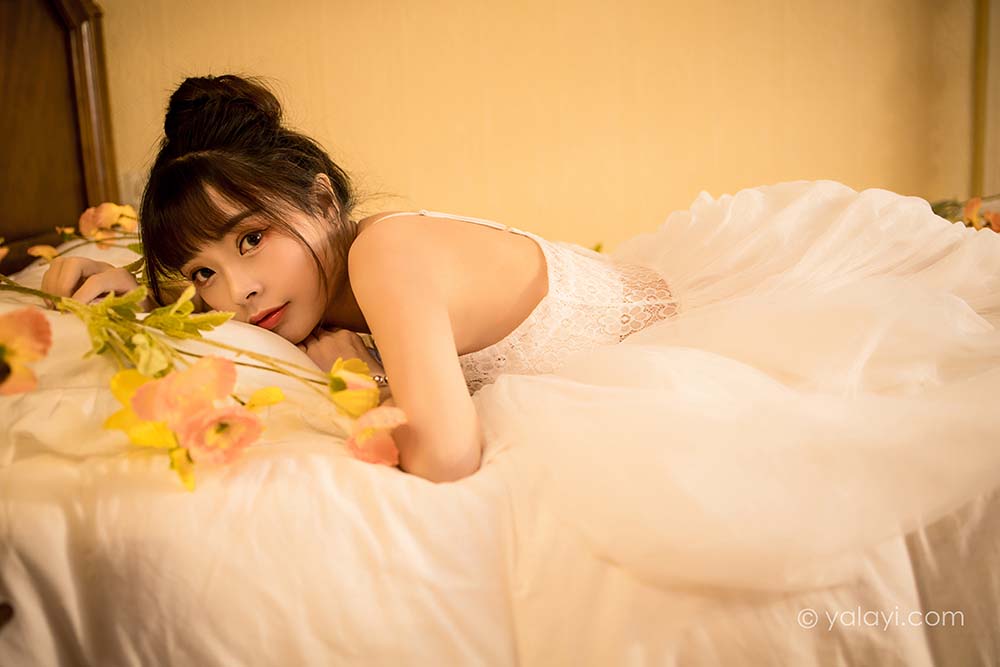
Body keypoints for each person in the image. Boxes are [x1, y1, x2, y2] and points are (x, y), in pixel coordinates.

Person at [41, 74, 1000, 592]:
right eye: (203, 272)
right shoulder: (309, 290)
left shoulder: (384, 256)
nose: (238, 289)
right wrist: (118, 283)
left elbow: (449, 459)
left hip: (702, 332)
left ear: (323, 198)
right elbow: (178, 303)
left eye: (252, 237)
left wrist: (364, 387)